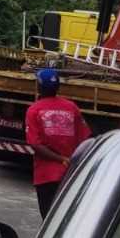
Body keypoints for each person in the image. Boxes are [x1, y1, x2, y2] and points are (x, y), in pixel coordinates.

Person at [25, 67, 91, 219]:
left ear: (39, 86)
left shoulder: (34, 110)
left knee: (49, 220)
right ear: (58, 87)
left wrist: (59, 159)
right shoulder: (71, 107)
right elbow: (86, 139)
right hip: (70, 175)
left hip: (46, 176)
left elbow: (35, 145)